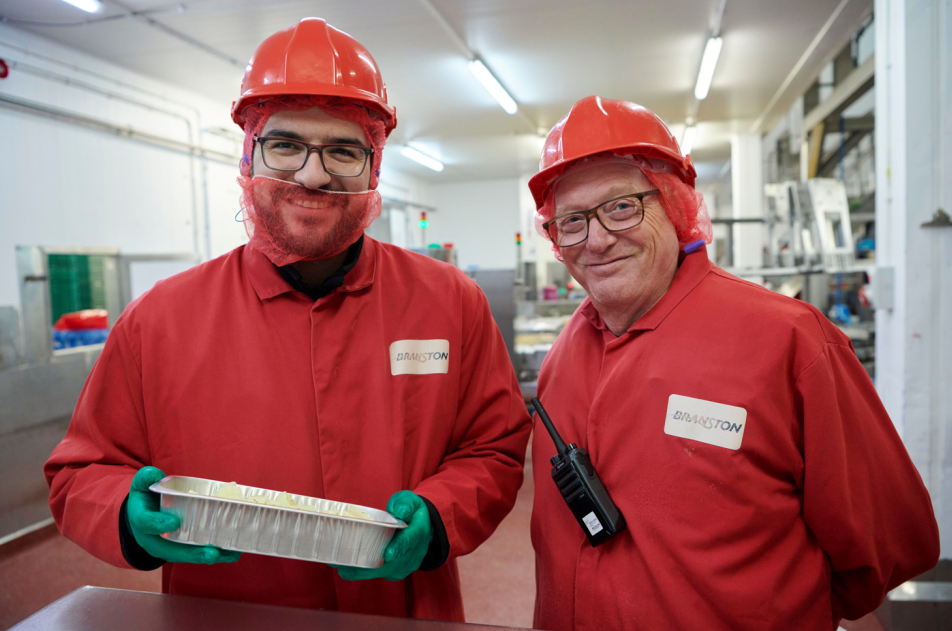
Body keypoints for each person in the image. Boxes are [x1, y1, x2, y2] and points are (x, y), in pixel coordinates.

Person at [45, 18, 531, 621]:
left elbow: (495, 447)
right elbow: (81, 472)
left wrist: (438, 516)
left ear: (374, 169)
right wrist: (123, 511)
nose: (313, 174)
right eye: (286, 145)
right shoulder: (159, 319)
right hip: (223, 614)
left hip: (398, 613)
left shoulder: (450, 301)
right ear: (249, 156)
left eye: (343, 151)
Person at [526, 95, 939, 630]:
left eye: (622, 206)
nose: (597, 239)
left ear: (674, 205)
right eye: (573, 220)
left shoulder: (790, 341)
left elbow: (891, 542)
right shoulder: (563, 356)